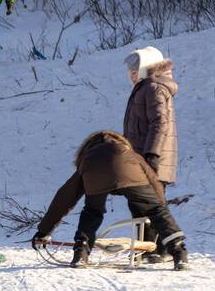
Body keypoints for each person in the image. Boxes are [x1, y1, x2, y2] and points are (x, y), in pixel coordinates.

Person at [30, 130, 188, 270]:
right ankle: (178, 251)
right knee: (155, 210)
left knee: (92, 212)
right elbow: (155, 183)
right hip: (131, 174)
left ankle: (81, 254)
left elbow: (65, 197)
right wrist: (160, 206)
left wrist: (44, 231)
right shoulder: (129, 153)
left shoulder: (88, 158)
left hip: (96, 174)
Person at [123, 46, 179, 261]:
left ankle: (160, 249)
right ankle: (146, 249)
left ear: (147, 68)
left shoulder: (153, 88)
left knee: (150, 203)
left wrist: (152, 155)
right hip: (140, 157)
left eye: (136, 70)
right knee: (139, 203)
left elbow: (159, 123)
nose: (132, 75)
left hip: (151, 158)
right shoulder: (145, 87)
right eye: (130, 71)